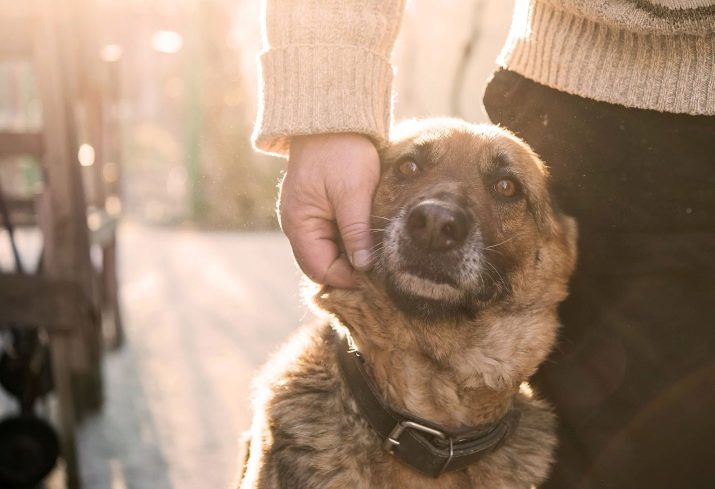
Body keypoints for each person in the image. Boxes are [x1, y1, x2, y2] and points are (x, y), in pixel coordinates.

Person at [252, 1, 715, 487]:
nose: (439, 217)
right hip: (575, 106)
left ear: (558, 251)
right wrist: (327, 108)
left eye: (505, 189)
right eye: (409, 168)